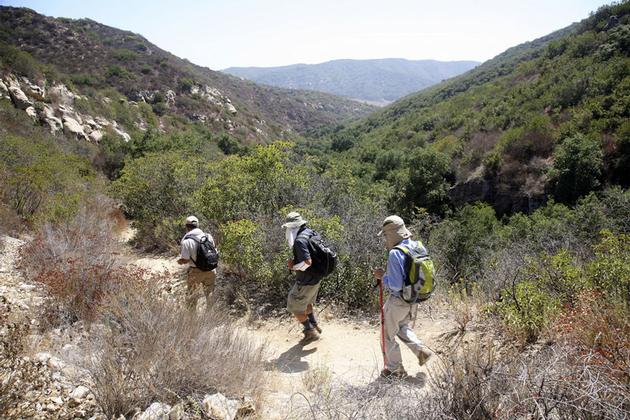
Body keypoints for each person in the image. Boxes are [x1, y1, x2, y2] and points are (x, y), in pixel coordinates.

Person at [373, 215, 432, 379]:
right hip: (414, 299)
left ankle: (394, 370)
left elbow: (396, 285)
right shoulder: (418, 246)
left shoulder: (395, 253)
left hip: (398, 301)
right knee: (402, 326)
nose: (385, 238)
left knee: (387, 335)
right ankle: (421, 350)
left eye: (385, 235)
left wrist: (382, 277)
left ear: (391, 234)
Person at [283, 211, 324, 343]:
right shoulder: (311, 232)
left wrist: (293, 267)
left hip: (306, 280)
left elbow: (307, 262)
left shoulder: (299, 240)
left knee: (294, 306)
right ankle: (314, 325)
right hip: (316, 278)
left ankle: (310, 331)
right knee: (307, 303)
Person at [177, 215, 216, 310]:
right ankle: (210, 316)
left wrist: (180, 261)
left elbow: (185, 259)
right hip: (211, 269)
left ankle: (192, 319)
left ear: (187, 226)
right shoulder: (208, 236)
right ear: (198, 225)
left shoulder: (187, 241)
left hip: (195, 272)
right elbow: (213, 250)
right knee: (209, 293)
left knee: (192, 296)